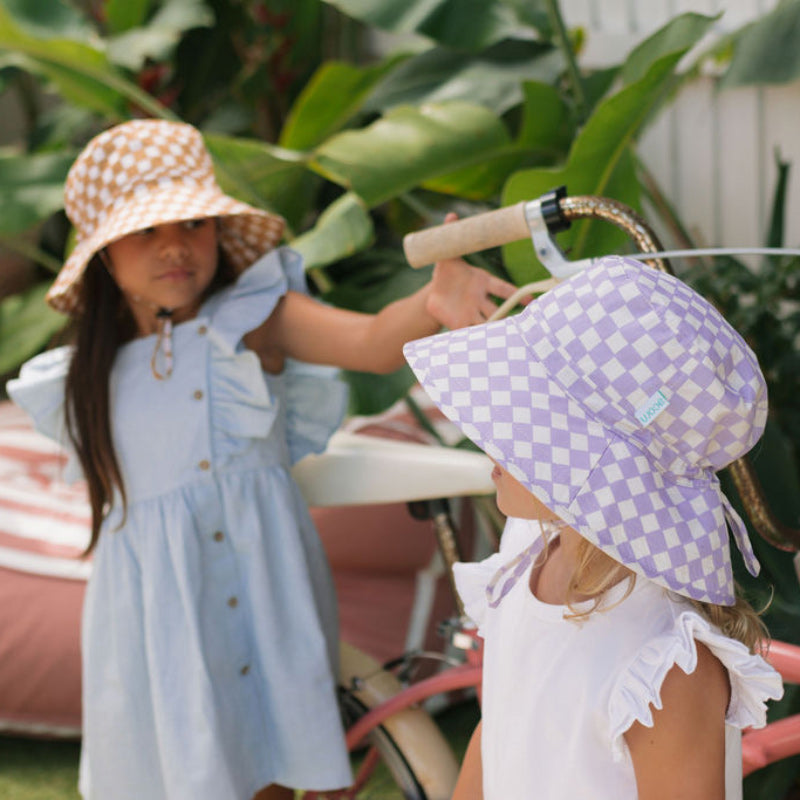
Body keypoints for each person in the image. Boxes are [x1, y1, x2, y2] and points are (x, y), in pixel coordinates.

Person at [5, 118, 520, 800]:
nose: (175, 247)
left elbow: (368, 342)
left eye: (194, 225)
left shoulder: (249, 320)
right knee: (183, 767)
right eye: (147, 231)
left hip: (261, 596)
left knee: (274, 766)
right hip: (156, 618)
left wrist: (433, 302)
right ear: (103, 254)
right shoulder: (83, 376)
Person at [403, 254, 784, 800]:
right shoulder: (527, 551)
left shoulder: (662, 667)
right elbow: (502, 732)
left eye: (525, 423)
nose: (491, 439)